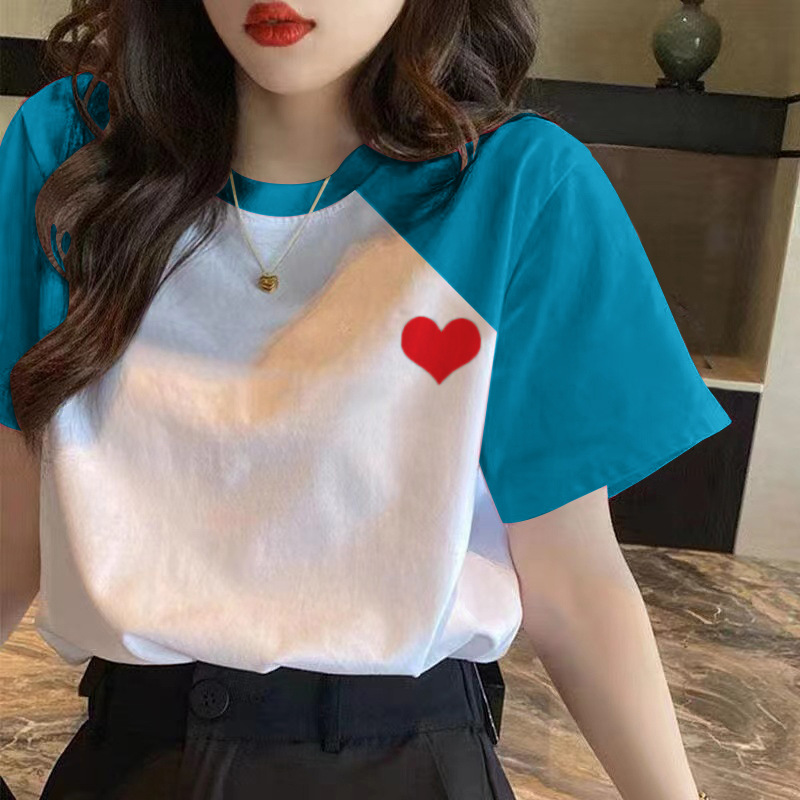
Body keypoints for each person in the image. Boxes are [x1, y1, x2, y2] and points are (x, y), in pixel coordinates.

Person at [0, 0, 731, 798]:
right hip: (131, 762)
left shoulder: (515, 188)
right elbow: (10, 519)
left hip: (408, 765)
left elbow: (573, 581)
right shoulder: (74, 154)